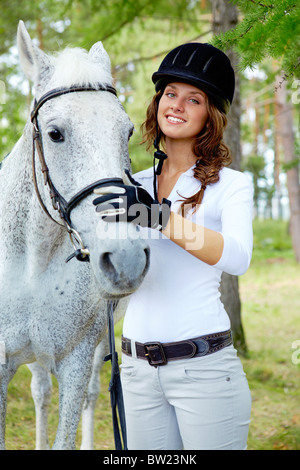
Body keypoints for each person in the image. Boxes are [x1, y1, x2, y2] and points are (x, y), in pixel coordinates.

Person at [93, 43, 253, 450]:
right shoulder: (134, 186)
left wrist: (159, 218)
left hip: (205, 373)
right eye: (170, 94)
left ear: (210, 116)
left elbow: (237, 256)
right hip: (136, 372)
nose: (177, 105)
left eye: (193, 98)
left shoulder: (230, 186)